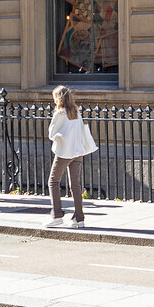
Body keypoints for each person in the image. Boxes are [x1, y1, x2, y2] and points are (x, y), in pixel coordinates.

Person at [45, 85, 98, 228]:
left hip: (64, 152)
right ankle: (79, 218)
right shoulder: (76, 112)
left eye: (55, 98)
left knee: (53, 182)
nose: (54, 101)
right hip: (78, 152)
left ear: (59, 98)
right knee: (75, 185)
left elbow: (51, 134)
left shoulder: (60, 114)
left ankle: (57, 215)